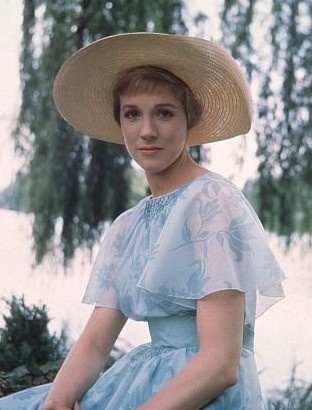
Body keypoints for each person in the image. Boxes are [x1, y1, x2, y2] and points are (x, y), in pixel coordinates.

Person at [0, 32, 285, 410]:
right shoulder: (128, 226)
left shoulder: (212, 203)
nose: (146, 131)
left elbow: (220, 365)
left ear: (189, 119)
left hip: (200, 395)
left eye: (164, 113)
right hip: (140, 382)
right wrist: (56, 402)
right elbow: (97, 341)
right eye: (132, 113)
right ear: (119, 122)